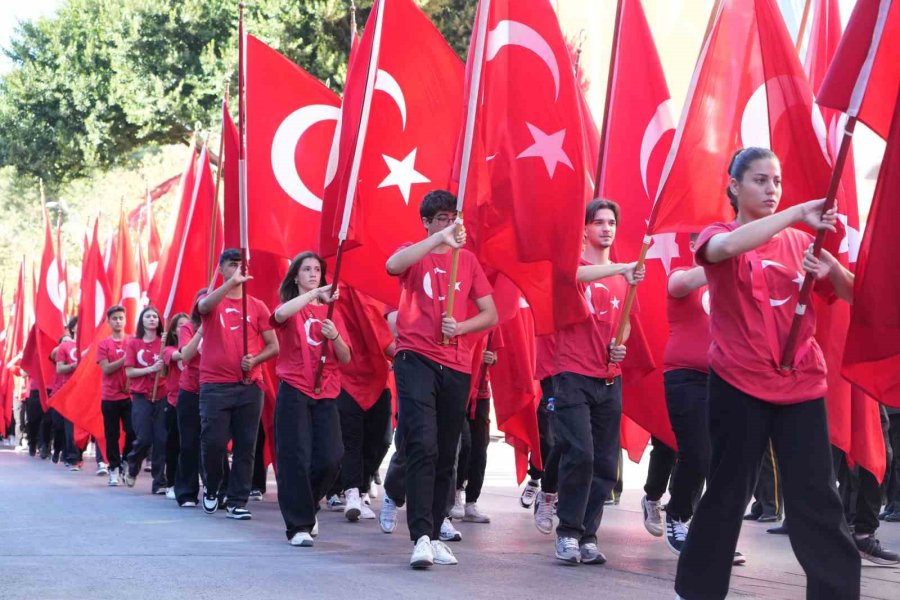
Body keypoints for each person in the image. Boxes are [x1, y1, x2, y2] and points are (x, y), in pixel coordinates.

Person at [674, 147, 860, 600]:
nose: (771, 189)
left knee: (817, 496)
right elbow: (729, 247)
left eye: (776, 181)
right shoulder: (718, 234)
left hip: (800, 384)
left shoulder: (803, 244)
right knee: (727, 491)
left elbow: (854, 294)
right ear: (735, 187)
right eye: (760, 180)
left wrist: (830, 273)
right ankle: (697, 590)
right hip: (739, 383)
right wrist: (798, 211)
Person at [385, 189, 497, 568]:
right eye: (443, 218)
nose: (452, 224)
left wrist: (461, 325)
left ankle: (434, 531)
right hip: (416, 357)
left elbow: (490, 313)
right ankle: (419, 536)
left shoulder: (467, 261)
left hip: (457, 363)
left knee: (448, 452)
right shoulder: (416, 254)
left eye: (455, 218)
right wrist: (437, 240)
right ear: (428, 222)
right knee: (423, 446)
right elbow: (392, 265)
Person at [550, 198, 644, 565]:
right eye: (599, 222)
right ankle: (568, 532)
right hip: (572, 374)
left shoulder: (624, 281)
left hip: (608, 379)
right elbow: (572, 277)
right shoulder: (579, 268)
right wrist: (621, 267)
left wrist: (621, 345)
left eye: (611, 223)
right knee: (581, 454)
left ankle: (588, 535)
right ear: (585, 229)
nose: (607, 228)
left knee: (606, 461)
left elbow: (628, 320)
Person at [271, 251, 349, 546]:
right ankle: (299, 526)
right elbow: (279, 315)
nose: (314, 273)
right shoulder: (292, 307)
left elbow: (346, 356)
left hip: (327, 390)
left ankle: (308, 504)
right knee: (295, 457)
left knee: (331, 457)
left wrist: (336, 337)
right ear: (296, 276)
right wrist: (315, 294)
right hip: (294, 387)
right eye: (307, 269)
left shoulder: (333, 312)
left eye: (318, 270)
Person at [197, 248, 278, 520]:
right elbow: (203, 307)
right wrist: (230, 284)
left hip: (249, 385)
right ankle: (212, 487)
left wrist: (255, 359)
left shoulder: (257, 306)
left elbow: (273, 346)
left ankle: (237, 499)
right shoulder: (213, 302)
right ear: (221, 269)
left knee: (246, 444)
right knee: (215, 442)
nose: (238, 269)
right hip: (214, 386)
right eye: (232, 265)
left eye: (241, 265)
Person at [334, 284, 393, 523]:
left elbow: (386, 335)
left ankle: (363, 483)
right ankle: (352, 493)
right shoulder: (335, 288)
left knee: (382, 440)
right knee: (351, 439)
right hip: (346, 376)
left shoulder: (380, 290)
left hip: (378, 376)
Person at [451, 339, 500, 524]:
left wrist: (492, 358)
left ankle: (471, 502)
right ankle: (454, 493)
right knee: (464, 444)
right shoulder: (459, 313)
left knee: (480, 449)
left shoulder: (490, 318)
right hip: (459, 386)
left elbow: (495, 352)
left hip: (480, 393)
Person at [123, 306, 167, 493]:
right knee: (144, 437)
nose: (152, 319)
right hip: (141, 396)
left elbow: (169, 369)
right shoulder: (134, 344)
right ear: (142, 321)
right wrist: (150, 369)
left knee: (161, 439)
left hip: (162, 396)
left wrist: (162, 368)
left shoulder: (164, 343)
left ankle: (159, 482)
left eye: (155, 316)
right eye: (148, 316)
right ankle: (133, 464)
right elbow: (129, 371)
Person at [173, 292, 204, 507]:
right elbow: (186, 354)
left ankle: (217, 489)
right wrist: (203, 329)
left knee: (215, 444)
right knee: (189, 443)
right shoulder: (188, 328)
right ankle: (186, 492)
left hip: (217, 391)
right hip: (191, 391)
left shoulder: (226, 323)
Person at [97, 305, 134, 486]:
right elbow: (106, 368)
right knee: (112, 435)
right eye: (114, 318)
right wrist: (124, 359)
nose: (118, 321)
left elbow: (135, 366)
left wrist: (130, 384)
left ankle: (125, 461)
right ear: (109, 321)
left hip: (129, 396)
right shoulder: (104, 344)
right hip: (110, 397)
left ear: (125, 320)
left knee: (133, 431)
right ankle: (113, 467)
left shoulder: (132, 341)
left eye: (121, 318)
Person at [162, 313, 189, 499]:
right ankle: (171, 482)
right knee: (174, 445)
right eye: (180, 325)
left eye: (187, 325)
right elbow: (181, 354)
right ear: (173, 330)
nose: (185, 328)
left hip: (195, 400)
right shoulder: (168, 349)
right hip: (174, 402)